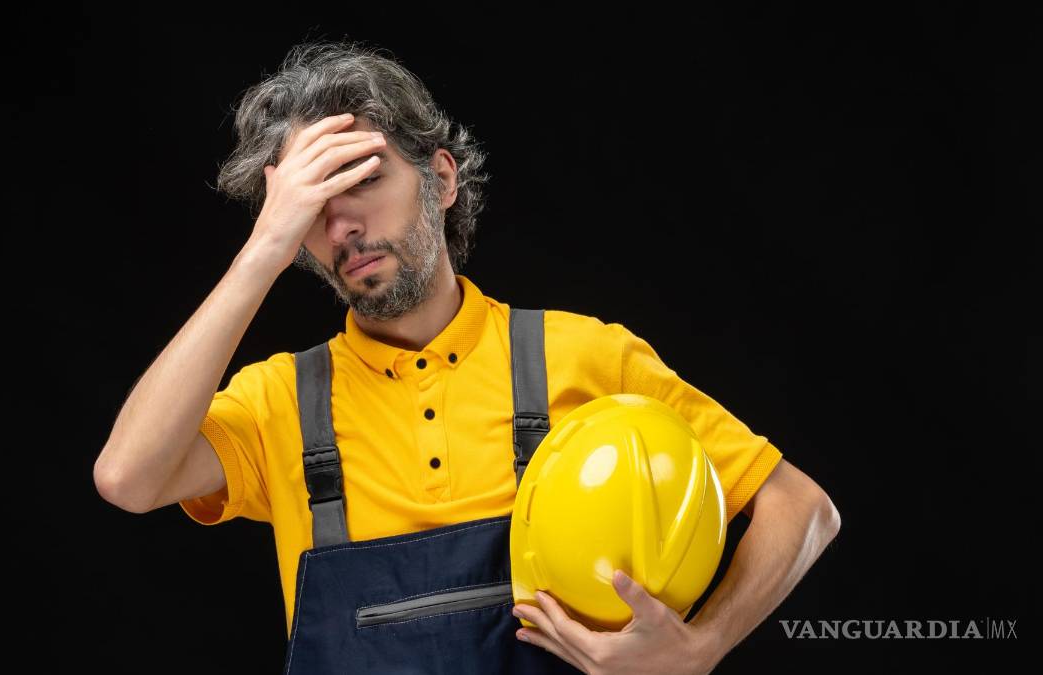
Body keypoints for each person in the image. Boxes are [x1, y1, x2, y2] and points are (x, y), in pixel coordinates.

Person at [93, 39, 841, 674]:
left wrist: (700, 648)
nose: (342, 224)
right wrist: (262, 250)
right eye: (313, 205)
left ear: (442, 180)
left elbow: (801, 508)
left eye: (363, 178)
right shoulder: (280, 403)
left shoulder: (585, 357)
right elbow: (128, 477)